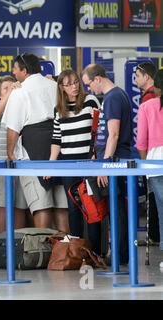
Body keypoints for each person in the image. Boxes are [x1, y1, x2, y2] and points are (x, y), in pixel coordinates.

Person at [2, 53, 69, 232]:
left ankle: (44, 253)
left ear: (24, 71)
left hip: (32, 150)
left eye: (15, 69)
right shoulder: (54, 86)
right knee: (61, 205)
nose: (14, 73)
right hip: (59, 146)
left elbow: (13, 128)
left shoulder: (20, 91)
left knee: (41, 205)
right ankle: (66, 252)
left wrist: (11, 153)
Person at [45, 69, 102, 253]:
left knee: (91, 208)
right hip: (68, 164)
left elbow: (100, 132)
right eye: (68, 84)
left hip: (88, 162)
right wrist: (51, 165)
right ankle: (77, 251)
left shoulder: (90, 101)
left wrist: (96, 155)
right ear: (61, 87)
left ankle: (95, 252)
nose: (74, 87)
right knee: (73, 208)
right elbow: (56, 140)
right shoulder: (58, 110)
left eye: (76, 82)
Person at [81, 63, 133, 265]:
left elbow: (114, 134)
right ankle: (121, 253)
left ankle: (119, 254)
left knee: (116, 207)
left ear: (98, 79)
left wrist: (106, 164)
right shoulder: (118, 95)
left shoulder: (112, 98)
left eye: (88, 84)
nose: (88, 89)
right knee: (115, 207)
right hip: (112, 158)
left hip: (114, 160)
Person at [0, 75, 29, 233]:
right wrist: (11, 93)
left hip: (21, 160)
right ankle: (3, 247)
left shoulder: (23, 107)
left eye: (14, 86)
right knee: (5, 205)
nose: (12, 90)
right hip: (2, 163)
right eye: (6, 88)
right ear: (0, 95)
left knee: (20, 206)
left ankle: (18, 248)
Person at [137, 68, 163, 268]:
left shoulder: (147, 107)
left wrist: (145, 165)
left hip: (155, 163)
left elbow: (142, 143)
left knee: (161, 210)